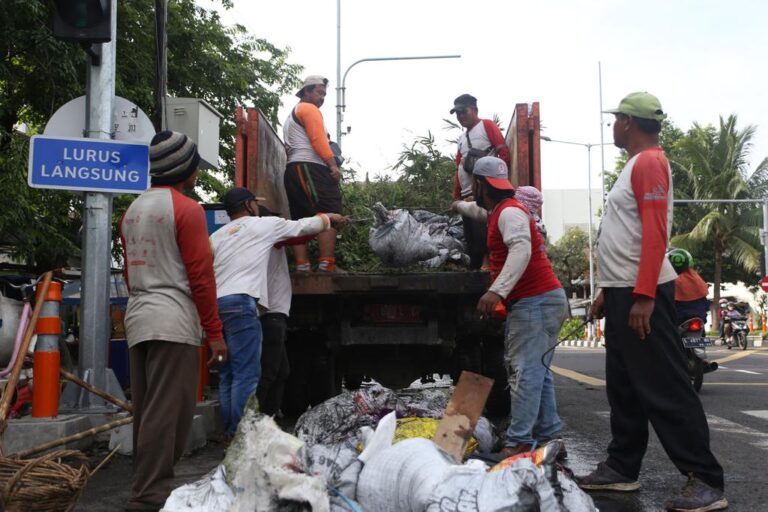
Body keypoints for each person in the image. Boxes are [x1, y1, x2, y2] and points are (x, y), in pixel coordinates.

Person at [580, 92, 726, 512]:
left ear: (628, 122)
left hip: (642, 291)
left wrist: (643, 295)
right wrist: (608, 290)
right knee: (624, 386)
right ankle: (621, 467)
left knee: (664, 386)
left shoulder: (648, 162)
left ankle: (706, 480)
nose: (612, 126)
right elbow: (626, 236)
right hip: (624, 288)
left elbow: (655, 231)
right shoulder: (635, 165)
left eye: (616, 119)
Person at [120, 130, 227, 511]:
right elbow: (201, 276)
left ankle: (147, 489)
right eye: (195, 165)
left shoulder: (133, 211)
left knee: (148, 412)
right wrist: (215, 333)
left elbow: (130, 273)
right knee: (169, 415)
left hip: (139, 318)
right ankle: (149, 496)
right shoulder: (188, 210)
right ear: (185, 169)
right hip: (173, 322)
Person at [452, 156, 568, 457]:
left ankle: (518, 441)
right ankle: (550, 438)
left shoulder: (510, 213)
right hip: (542, 300)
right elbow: (476, 211)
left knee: (524, 372)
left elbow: (521, 250)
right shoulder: (500, 210)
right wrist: (457, 205)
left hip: (535, 302)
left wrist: (496, 291)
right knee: (539, 372)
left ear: (480, 184)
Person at [210, 187, 346, 437]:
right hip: (242, 303)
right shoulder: (263, 225)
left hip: (217, 304)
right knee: (246, 375)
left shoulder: (216, 236)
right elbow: (303, 226)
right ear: (249, 205)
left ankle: (230, 432)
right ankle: (242, 435)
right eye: (254, 203)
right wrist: (330, 218)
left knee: (228, 374)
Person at [283, 75, 344, 273]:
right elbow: (318, 140)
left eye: (324, 94)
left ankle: (303, 266)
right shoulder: (308, 109)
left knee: (300, 216)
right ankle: (327, 264)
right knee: (329, 208)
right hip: (310, 167)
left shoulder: (293, 115)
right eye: (319, 92)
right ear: (306, 91)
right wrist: (332, 166)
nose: (322, 97)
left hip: (295, 169)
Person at [451, 94, 510, 270]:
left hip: (484, 190)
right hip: (467, 192)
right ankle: (476, 267)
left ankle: (488, 264)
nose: (460, 116)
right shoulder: (461, 139)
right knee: (471, 234)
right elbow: (459, 168)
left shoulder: (487, 125)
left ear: (474, 110)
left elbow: (503, 153)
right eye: (457, 113)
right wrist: (456, 196)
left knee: (484, 231)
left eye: (463, 111)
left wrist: (497, 185)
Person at [255, 205, 292, 417]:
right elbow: (303, 231)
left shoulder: (256, 240)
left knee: (280, 371)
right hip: (272, 312)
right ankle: (255, 420)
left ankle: (265, 418)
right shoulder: (271, 237)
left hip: (270, 312)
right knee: (269, 372)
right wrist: (326, 220)